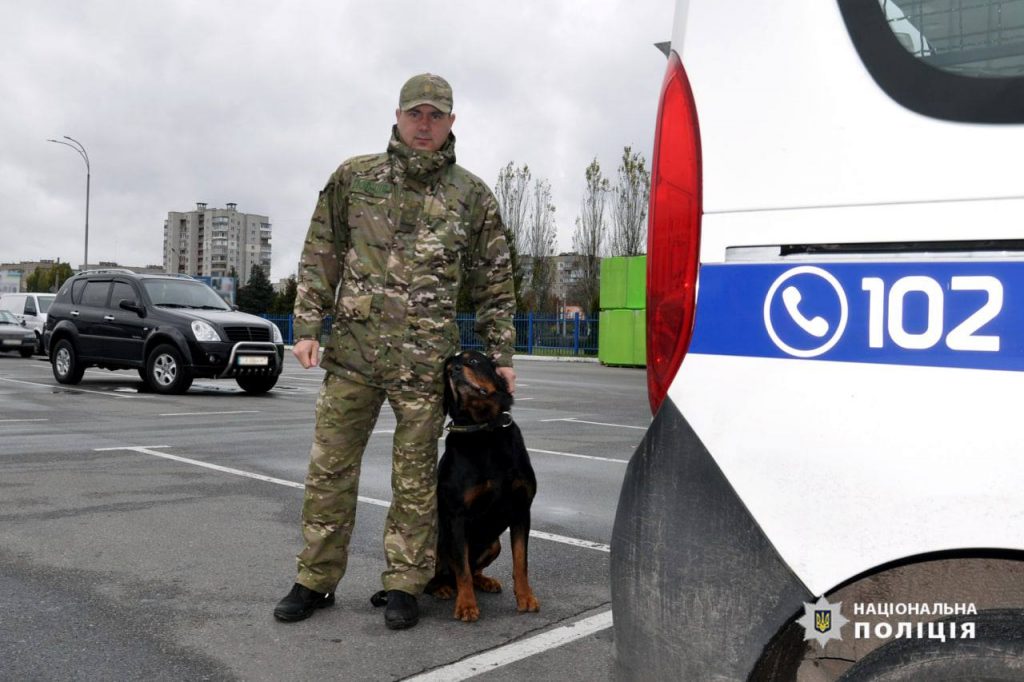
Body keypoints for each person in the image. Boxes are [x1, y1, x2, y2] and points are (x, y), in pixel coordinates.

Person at [274, 73, 517, 630]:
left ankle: (405, 584)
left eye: (436, 115)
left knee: (414, 478)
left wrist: (502, 354)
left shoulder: (471, 196)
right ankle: (314, 579)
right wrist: (307, 324)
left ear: (452, 122)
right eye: (416, 114)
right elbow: (321, 250)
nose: (424, 125)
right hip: (354, 356)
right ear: (398, 116)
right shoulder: (354, 178)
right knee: (330, 469)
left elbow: (494, 281)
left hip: (426, 364)